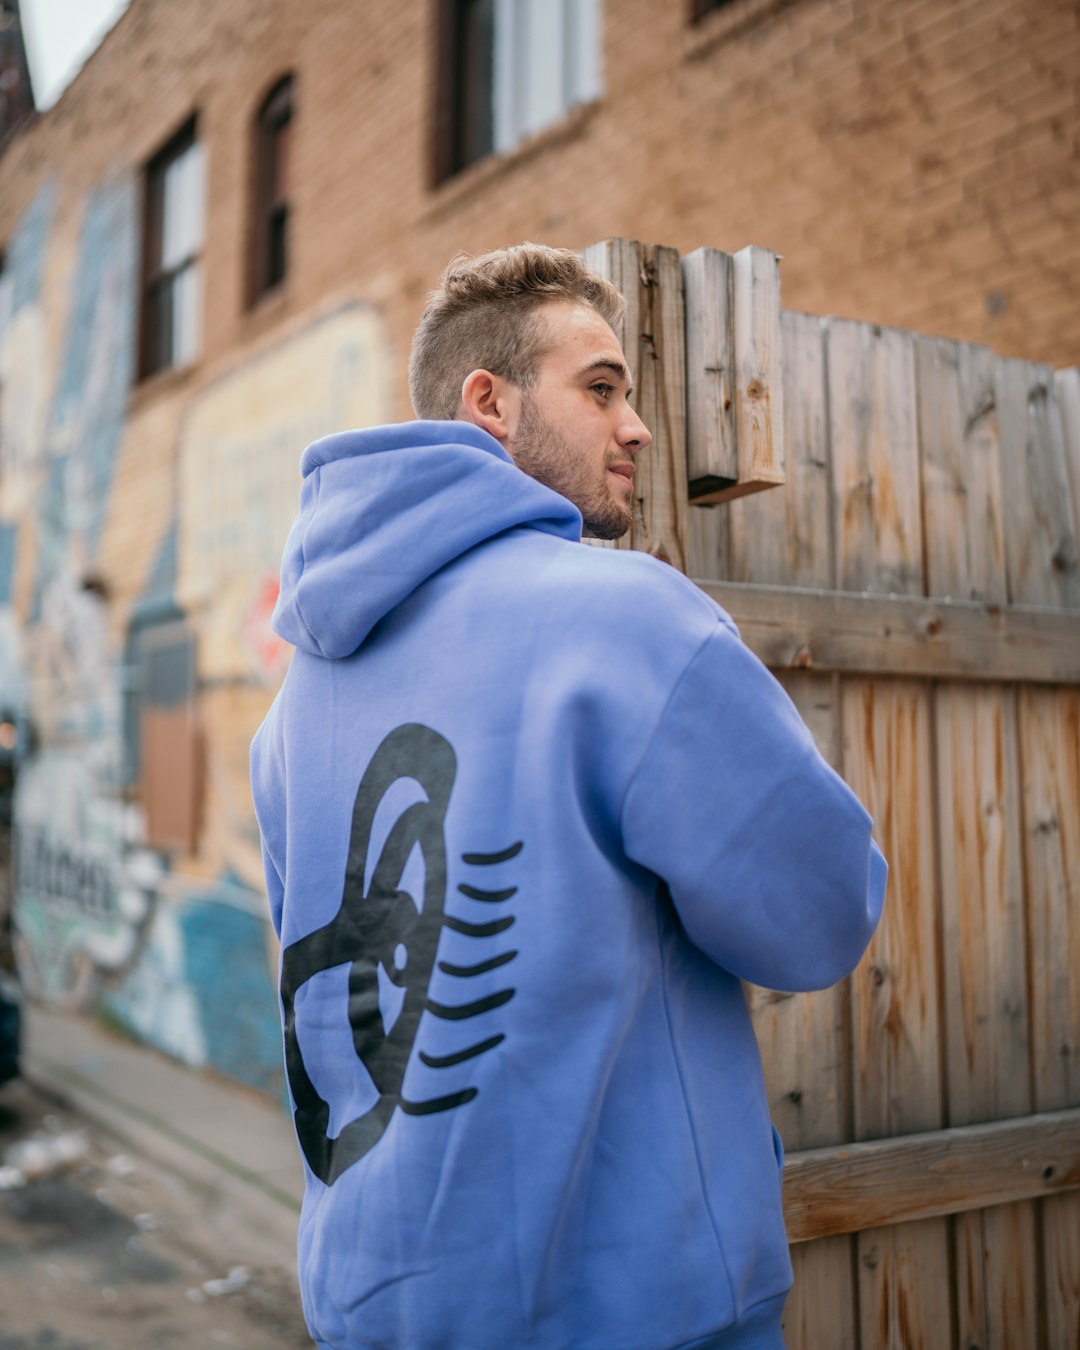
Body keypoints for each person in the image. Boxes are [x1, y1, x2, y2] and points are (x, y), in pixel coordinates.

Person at [250, 243, 887, 1350]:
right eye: (600, 388)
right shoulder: (629, 619)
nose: (636, 426)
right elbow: (820, 920)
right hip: (629, 1317)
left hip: (367, 1310)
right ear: (487, 402)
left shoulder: (288, 712)